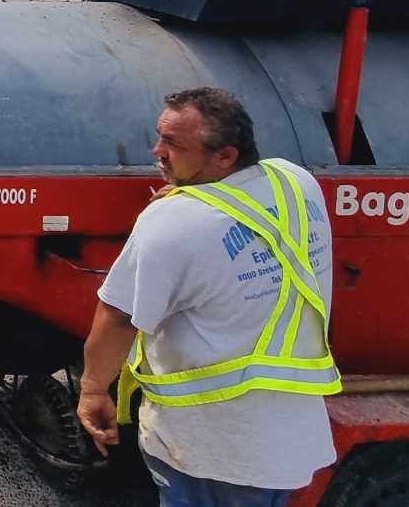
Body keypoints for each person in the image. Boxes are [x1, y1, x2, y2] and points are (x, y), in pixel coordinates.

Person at [77, 88, 338, 505]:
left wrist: (92, 390)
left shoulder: (173, 222)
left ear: (225, 157)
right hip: (288, 443)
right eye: (160, 136)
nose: (157, 151)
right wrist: (185, 196)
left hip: (210, 449)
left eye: (174, 144)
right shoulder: (295, 181)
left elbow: (118, 317)